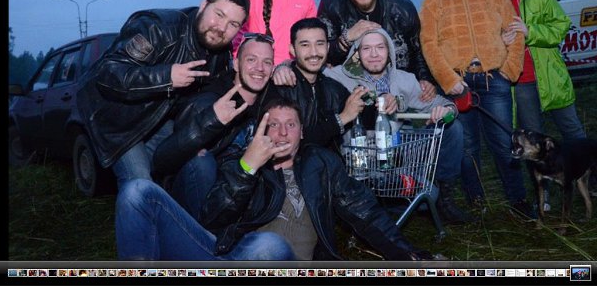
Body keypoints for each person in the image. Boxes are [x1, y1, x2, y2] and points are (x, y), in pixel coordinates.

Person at [115, 97, 434, 261]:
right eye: (274, 125)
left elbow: (365, 211)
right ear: (261, 132)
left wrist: (407, 254)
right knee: (137, 190)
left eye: (291, 125)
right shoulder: (242, 162)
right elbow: (211, 219)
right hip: (227, 260)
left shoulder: (320, 163)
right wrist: (247, 168)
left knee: (269, 245)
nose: (282, 133)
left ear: (302, 132)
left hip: (281, 261)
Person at [77, 0, 250, 185]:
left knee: (185, 163)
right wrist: (167, 77)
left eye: (233, 24)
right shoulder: (157, 28)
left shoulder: (220, 53)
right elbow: (108, 74)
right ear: (204, 5)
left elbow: (217, 93)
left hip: (160, 117)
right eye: (219, 14)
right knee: (140, 183)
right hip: (118, 120)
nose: (221, 28)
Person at [419, 0, 533, 219]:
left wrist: (510, 70)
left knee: (505, 142)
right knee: (467, 147)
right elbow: (429, 44)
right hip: (459, 85)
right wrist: (448, 80)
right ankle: (477, 201)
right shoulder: (433, 1)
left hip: (495, 80)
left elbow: (515, 32)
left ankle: (518, 200)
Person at [323, 28, 474, 224]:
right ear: (357, 53)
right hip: (359, 162)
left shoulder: (405, 79)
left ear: (390, 51)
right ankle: (380, 202)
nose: (374, 54)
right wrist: (285, 68)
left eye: (380, 47)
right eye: (366, 48)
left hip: (395, 157)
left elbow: (445, 105)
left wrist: (447, 111)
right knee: (414, 198)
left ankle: (444, 200)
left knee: (452, 129)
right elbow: (304, 66)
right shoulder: (338, 76)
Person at [484, 0, 587, 209]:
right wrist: (500, 42)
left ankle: (590, 180)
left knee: (573, 131)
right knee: (533, 142)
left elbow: (561, 25)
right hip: (521, 83)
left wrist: (531, 31)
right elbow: (485, 47)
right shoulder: (487, 8)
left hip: (551, 76)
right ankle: (544, 194)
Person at [152, 33, 279, 219]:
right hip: (199, 191)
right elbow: (163, 161)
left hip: (237, 189)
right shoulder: (207, 101)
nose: (260, 68)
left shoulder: (272, 102)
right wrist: (211, 121)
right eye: (251, 59)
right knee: (201, 162)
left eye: (267, 62)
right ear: (236, 64)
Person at [317, 0, 436, 101]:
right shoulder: (331, 5)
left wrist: (425, 79)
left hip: (397, 90)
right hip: (349, 90)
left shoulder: (402, 8)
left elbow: (418, 51)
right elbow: (320, 54)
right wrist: (347, 38)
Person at [272, 17, 366, 153]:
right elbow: (292, 141)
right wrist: (342, 119)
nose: (314, 52)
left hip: (330, 164)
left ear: (327, 47)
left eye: (320, 44)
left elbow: (366, 115)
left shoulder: (334, 88)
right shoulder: (280, 86)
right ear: (292, 49)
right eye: (305, 45)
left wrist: (386, 100)